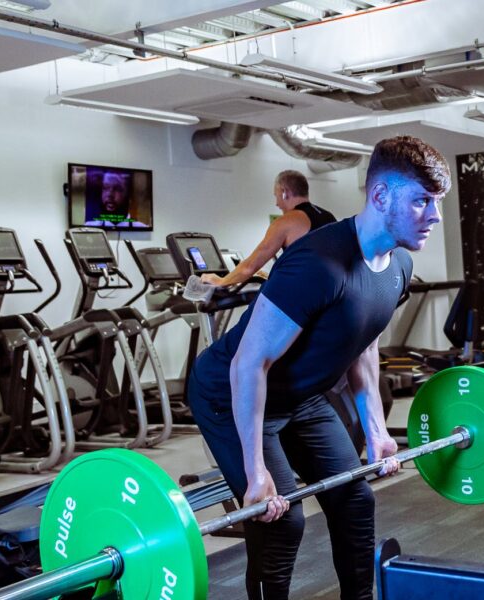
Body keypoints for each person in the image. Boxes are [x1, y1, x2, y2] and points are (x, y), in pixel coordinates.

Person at [188, 136, 448, 600]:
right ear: (381, 196)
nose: (435, 216)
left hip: (301, 398)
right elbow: (250, 363)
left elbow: (362, 342)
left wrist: (375, 430)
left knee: (355, 501)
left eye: (437, 203)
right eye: (422, 201)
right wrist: (254, 473)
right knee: (279, 519)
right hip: (232, 393)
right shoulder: (318, 263)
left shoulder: (398, 266)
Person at [201, 170, 337, 288]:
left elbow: (249, 268)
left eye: (276, 195)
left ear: (284, 193)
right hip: (336, 296)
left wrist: (222, 281)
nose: (276, 203)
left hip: (307, 299)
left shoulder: (286, 221)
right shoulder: (328, 216)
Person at [84, 170, 150, 229]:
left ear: (129, 195)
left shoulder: (141, 228)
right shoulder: (89, 228)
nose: (109, 195)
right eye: (105, 187)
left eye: (117, 189)